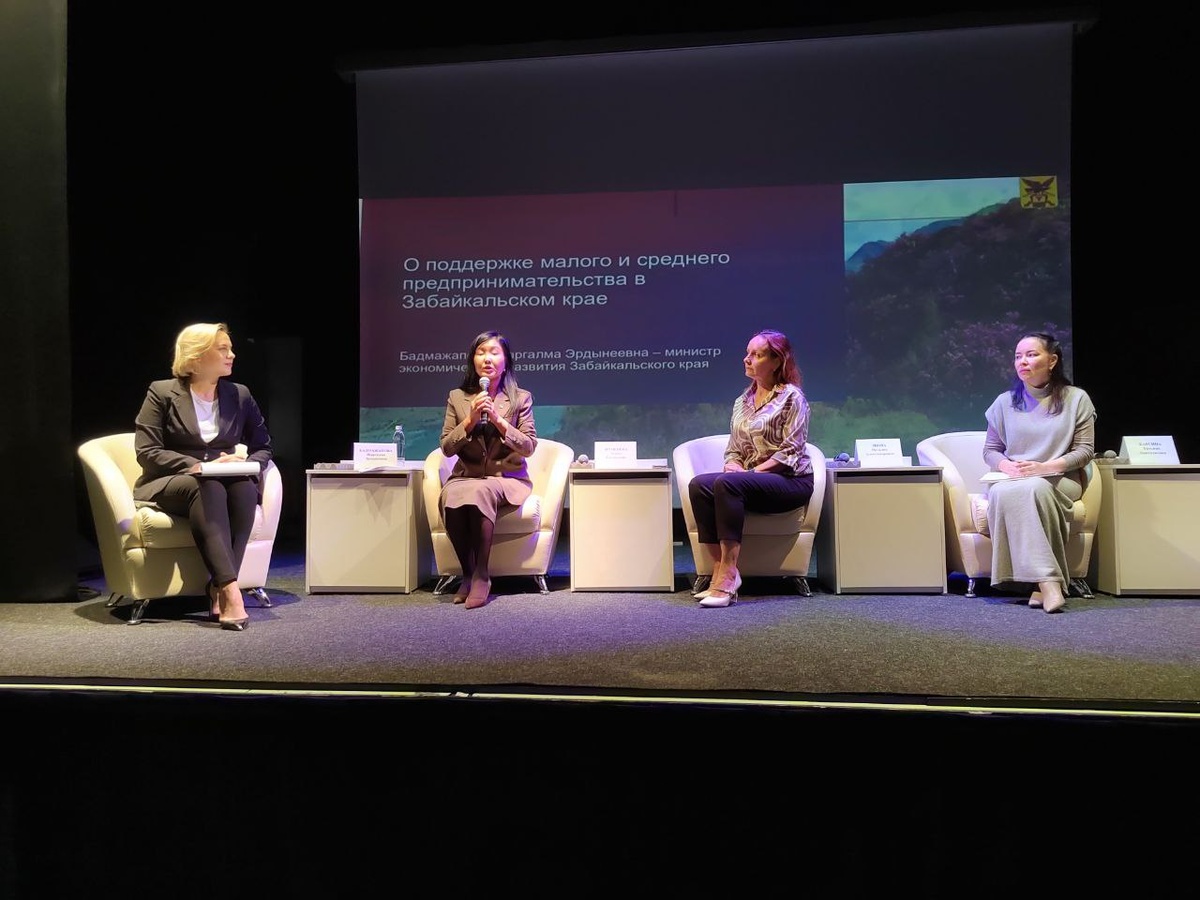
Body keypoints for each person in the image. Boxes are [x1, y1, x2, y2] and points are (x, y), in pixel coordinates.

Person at [133, 322, 273, 631]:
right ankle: (231, 591)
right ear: (196, 357)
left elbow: (263, 446)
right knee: (207, 485)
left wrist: (248, 463)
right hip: (171, 481)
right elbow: (147, 451)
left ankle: (219, 586)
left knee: (244, 488)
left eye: (230, 349)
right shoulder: (162, 392)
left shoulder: (239, 394)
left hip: (223, 481)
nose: (232, 355)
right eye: (223, 349)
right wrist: (195, 465)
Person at [687, 329, 815, 608]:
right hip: (751, 482)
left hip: (790, 481)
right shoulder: (742, 401)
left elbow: (790, 451)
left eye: (757, 355)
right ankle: (721, 570)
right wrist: (733, 464)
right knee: (700, 485)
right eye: (748, 353)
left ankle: (728, 577)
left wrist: (751, 474)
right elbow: (734, 448)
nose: (747, 359)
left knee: (729, 483)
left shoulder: (792, 397)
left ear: (777, 361)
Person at [983, 331, 1096, 614]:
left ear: (1052, 360)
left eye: (1031, 355)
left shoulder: (1076, 399)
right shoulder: (1004, 402)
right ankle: (1046, 583)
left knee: (1035, 487)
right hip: (1015, 477)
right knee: (1003, 492)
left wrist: (1045, 467)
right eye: (1018, 356)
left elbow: (1085, 451)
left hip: (1061, 478)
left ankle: (1043, 582)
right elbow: (991, 451)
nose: (1022, 361)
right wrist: (1006, 465)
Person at [438, 330, 538, 609]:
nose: (487, 358)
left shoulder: (520, 398)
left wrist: (497, 420)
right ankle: (467, 573)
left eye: (494, 352)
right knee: (451, 494)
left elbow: (529, 446)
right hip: (466, 476)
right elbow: (446, 447)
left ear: (506, 361)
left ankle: (482, 574)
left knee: (481, 489)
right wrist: (470, 420)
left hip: (507, 478)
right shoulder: (457, 397)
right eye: (480, 352)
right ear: (473, 360)